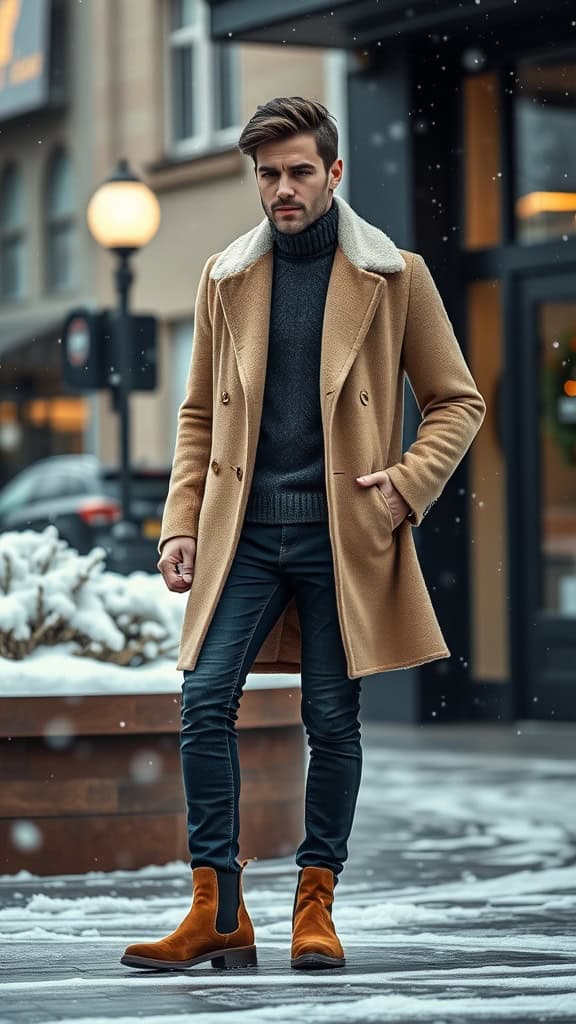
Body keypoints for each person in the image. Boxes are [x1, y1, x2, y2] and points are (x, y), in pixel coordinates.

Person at [121, 97, 486, 973]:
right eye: (267, 174)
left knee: (332, 718)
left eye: (297, 172)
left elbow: (457, 402)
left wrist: (404, 488)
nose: (281, 189)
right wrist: (180, 525)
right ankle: (218, 909)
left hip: (342, 537)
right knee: (202, 700)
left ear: (333, 173)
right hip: (242, 536)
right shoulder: (224, 277)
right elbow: (200, 413)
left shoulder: (395, 275)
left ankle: (315, 906)